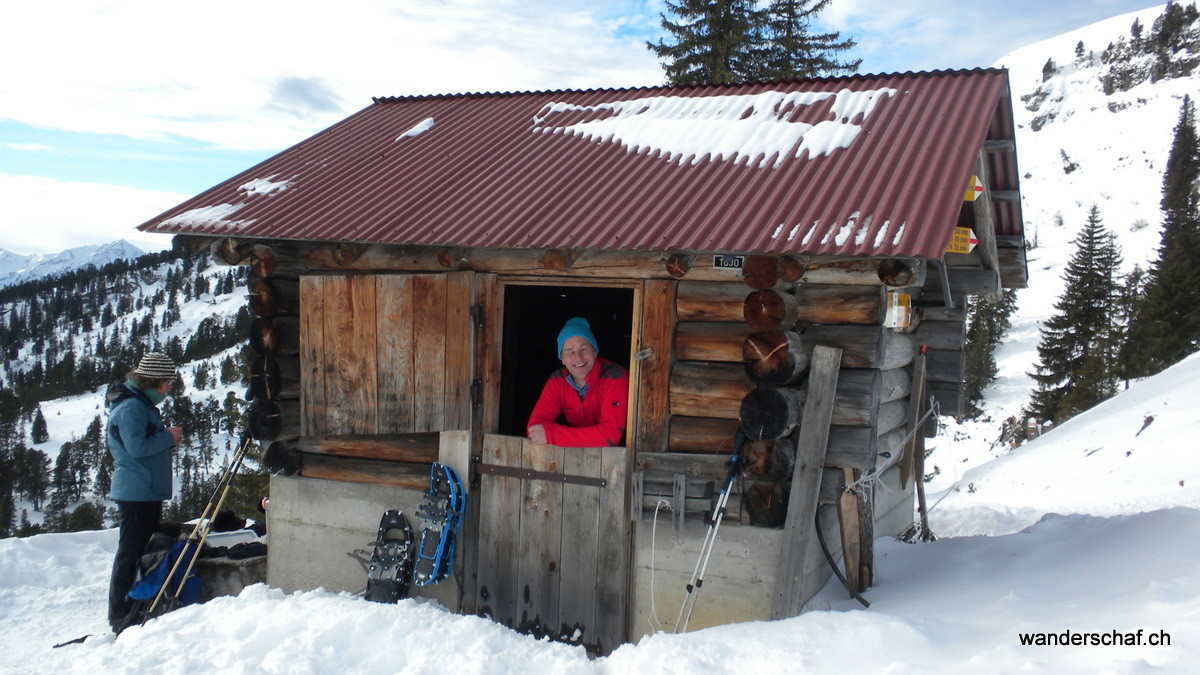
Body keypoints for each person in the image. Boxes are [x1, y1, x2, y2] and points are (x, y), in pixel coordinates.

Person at [106, 352, 184, 633]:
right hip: (136, 490)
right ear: (152, 381)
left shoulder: (138, 404)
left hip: (143, 489)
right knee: (131, 551)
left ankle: (136, 604)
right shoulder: (131, 409)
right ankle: (121, 613)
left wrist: (166, 438)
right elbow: (137, 448)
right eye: (166, 384)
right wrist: (168, 436)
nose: (168, 389)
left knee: (140, 550)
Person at [527, 317, 629, 448]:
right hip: (574, 457)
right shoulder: (558, 380)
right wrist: (588, 437)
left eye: (584, 349)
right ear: (562, 359)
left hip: (617, 460)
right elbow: (535, 428)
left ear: (595, 352)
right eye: (570, 352)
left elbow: (609, 436)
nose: (578, 357)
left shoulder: (614, 376)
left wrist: (552, 435)